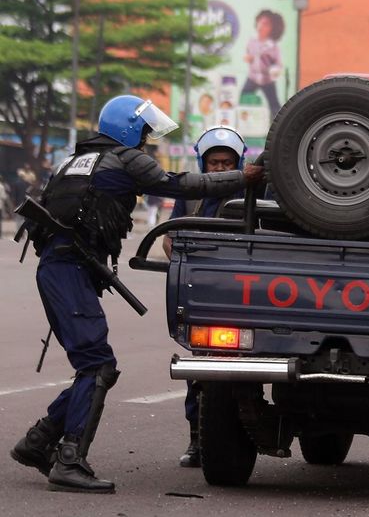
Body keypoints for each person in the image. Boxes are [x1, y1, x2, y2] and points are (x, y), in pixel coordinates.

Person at [9, 95, 263, 493]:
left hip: (58, 267)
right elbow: (181, 184)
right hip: (69, 269)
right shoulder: (125, 159)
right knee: (97, 365)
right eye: (143, 131)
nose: (145, 140)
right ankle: (69, 459)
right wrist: (241, 178)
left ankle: (39, 441)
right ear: (127, 129)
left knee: (96, 364)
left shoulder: (74, 161)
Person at [162, 125, 248, 468]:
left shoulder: (254, 191)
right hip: (203, 292)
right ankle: (199, 440)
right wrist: (185, 267)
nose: (221, 169)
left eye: (228, 163)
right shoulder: (191, 194)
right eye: (215, 163)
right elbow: (168, 238)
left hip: (242, 292)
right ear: (204, 164)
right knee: (200, 372)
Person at [242, 9, 285, 116]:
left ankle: (276, 123)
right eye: (260, 22)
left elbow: (278, 64)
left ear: (272, 29)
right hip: (253, 77)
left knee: (274, 105)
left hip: (267, 80)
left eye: (265, 24)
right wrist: (248, 58)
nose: (261, 26)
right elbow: (248, 54)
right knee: (243, 98)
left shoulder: (272, 46)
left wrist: (275, 71)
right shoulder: (252, 41)